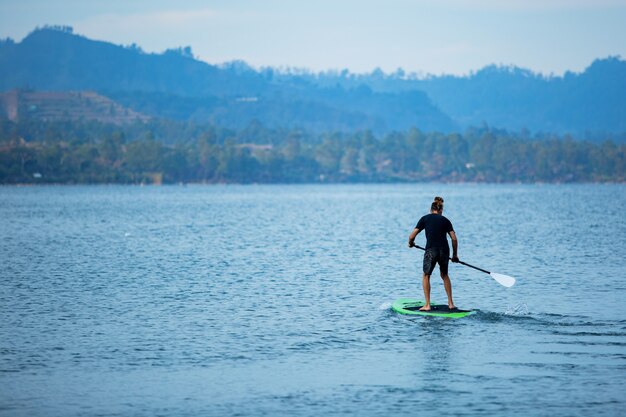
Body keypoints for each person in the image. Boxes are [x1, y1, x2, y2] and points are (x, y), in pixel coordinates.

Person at [408, 197, 459, 311]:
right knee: (444, 275)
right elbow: (454, 239)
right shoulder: (446, 220)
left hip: (431, 250)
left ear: (431, 209)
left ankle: (427, 305)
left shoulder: (425, 219)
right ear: (441, 210)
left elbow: (412, 236)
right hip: (444, 251)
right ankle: (451, 303)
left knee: (426, 275)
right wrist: (455, 255)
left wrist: (411, 243)